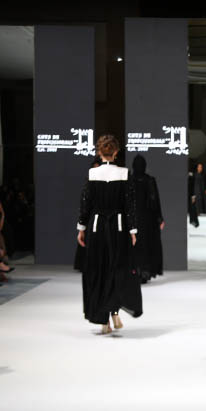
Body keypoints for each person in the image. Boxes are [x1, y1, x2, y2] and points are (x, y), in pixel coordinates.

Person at [77, 135, 142, 334]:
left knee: (98, 270)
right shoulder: (124, 173)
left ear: (99, 152)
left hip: (96, 227)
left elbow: (85, 204)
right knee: (117, 269)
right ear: (116, 152)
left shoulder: (92, 173)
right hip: (118, 227)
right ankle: (114, 311)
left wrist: (81, 228)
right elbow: (130, 205)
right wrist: (133, 230)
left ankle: (103, 319)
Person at [130, 155, 165, 283]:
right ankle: (144, 272)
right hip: (147, 219)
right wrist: (159, 218)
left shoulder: (129, 180)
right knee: (147, 244)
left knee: (135, 245)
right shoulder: (149, 180)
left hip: (133, 218)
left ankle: (135, 272)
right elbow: (155, 201)